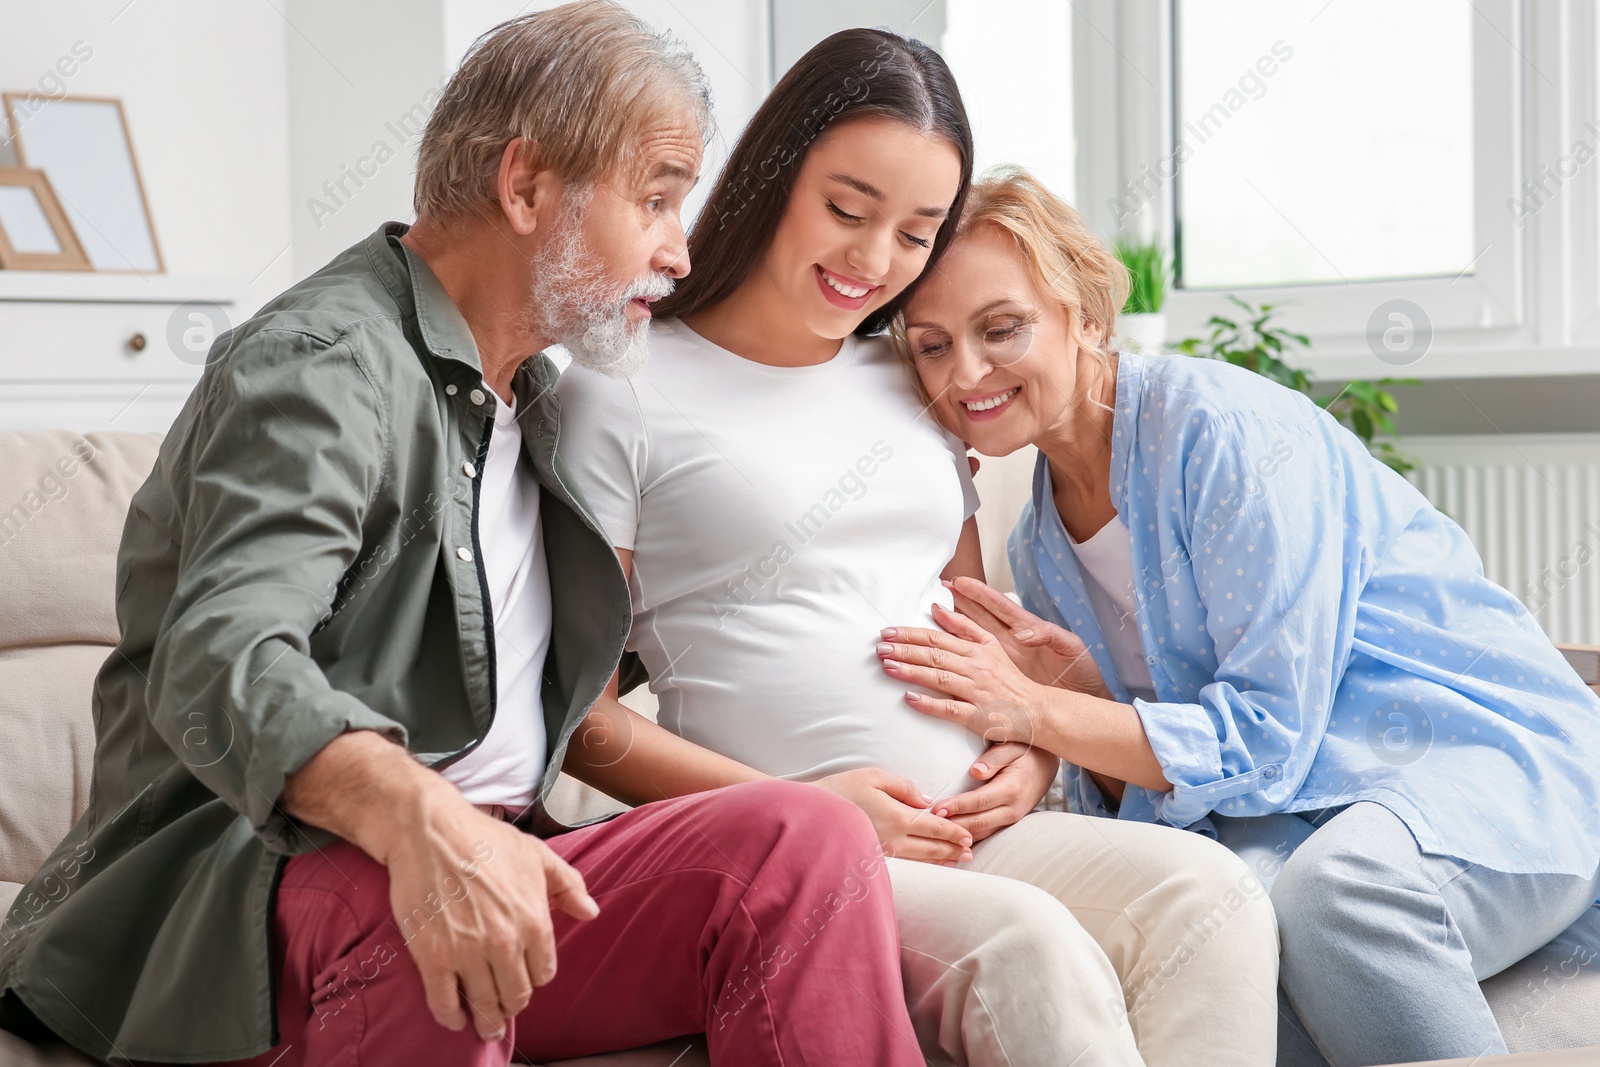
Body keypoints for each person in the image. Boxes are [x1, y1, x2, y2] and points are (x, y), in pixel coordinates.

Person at [0, 7, 927, 1066]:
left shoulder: (528, 392)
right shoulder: (321, 366)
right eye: (658, 196)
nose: (678, 249)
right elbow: (224, 657)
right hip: (245, 895)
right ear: (524, 184)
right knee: (427, 895)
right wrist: (422, 819)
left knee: (800, 845)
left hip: (492, 860)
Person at [557, 28, 1279, 1067]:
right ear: (771, 174)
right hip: (801, 856)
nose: (872, 259)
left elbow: (981, 636)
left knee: (1210, 892)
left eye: (914, 232)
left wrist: (1029, 753)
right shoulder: (622, 384)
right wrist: (804, 814)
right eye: (847, 210)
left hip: (983, 821)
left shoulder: (911, 378)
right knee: (1031, 944)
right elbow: (583, 726)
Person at [880, 166, 1600, 1067]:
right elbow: (1180, 787)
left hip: (1482, 757)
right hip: (1311, 802)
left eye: (1001, 329)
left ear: (1087, 317)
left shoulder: (1220, 434)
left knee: (1340, 898)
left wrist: (1038, 712)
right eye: (934, 345)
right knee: (1223, 933)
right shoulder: (1040, 547)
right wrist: (1085, 696)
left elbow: (1264, 735)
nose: (966, 372)